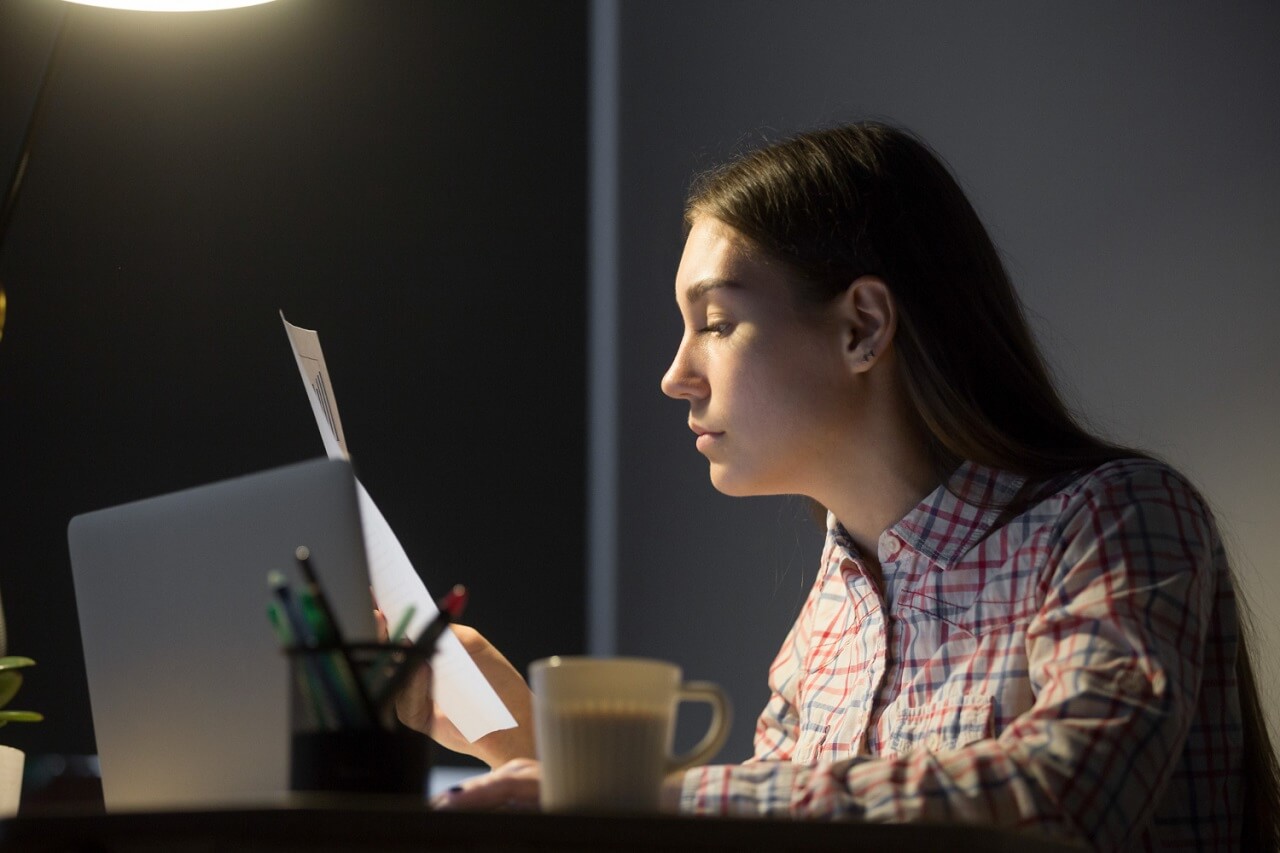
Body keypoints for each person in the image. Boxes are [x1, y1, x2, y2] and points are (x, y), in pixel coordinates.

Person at [395, 122, 1278, 851]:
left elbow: (1063, 793)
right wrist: (517, 737)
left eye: (716, 322)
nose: (675, 375)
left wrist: (642, 797)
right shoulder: (830, 618)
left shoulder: (1114, 518)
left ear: (862, 326)